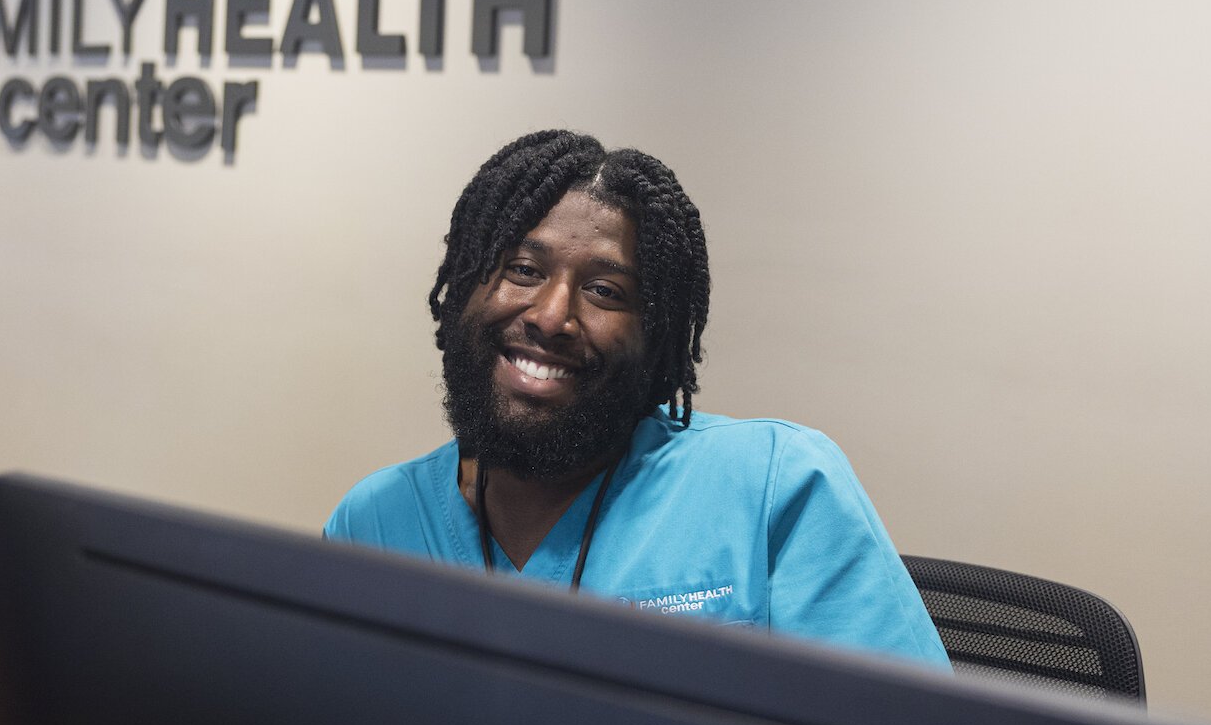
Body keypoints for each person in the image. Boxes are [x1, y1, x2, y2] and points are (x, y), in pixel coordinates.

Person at [325, 129, 949, 668]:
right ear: (464, 287)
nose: (551, 316)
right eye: (523, 270)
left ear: (655, 338)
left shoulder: (773, 487)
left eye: (603, 290)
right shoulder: (376, 524)